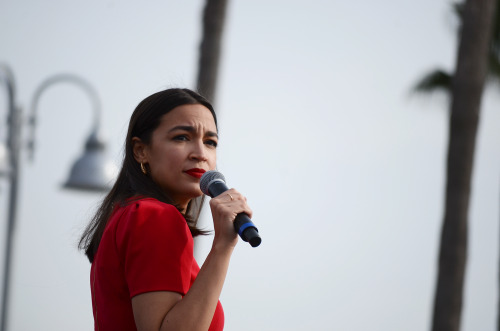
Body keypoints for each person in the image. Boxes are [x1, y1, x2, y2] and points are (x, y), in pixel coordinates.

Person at [78, 88, 252, 331]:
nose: (200, 154)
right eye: (181, 137)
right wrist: (223, 247)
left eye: (210, 142)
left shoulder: (128, 213)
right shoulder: (155, 216)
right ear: (141, 150)